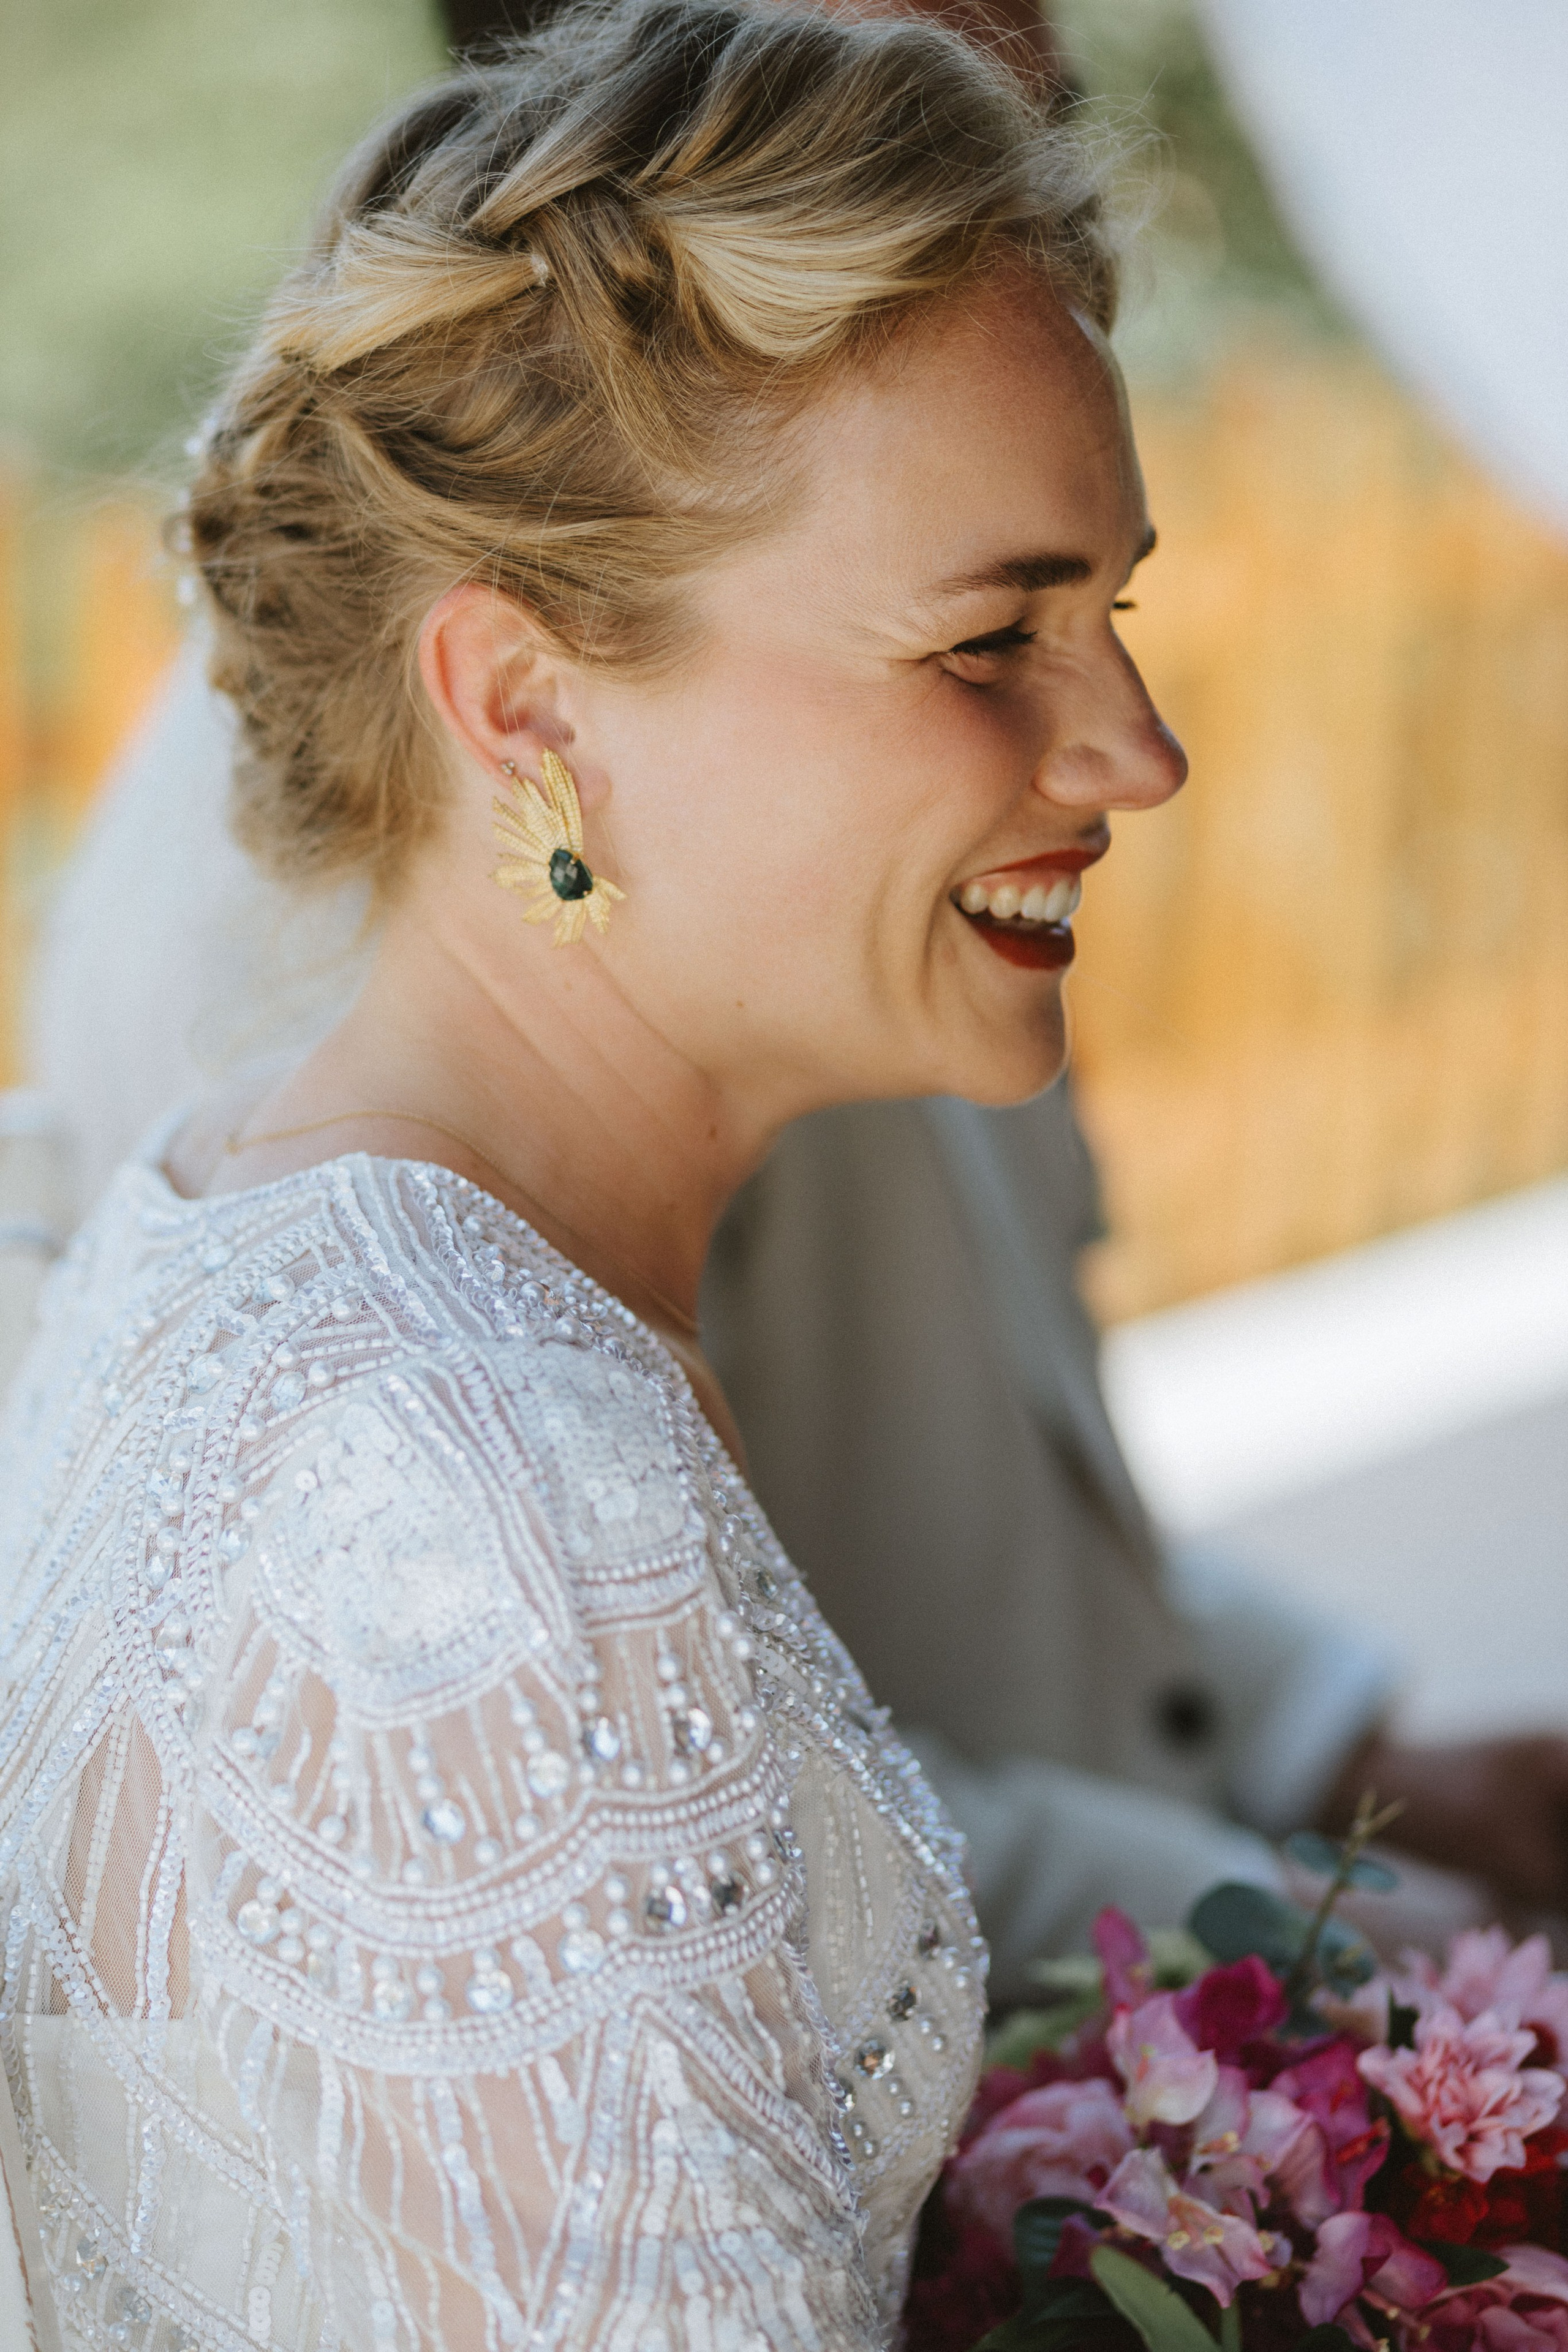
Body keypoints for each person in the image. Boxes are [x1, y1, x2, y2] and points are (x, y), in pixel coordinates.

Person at [0, 1, 1185, 2339]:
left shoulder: (244, 1212)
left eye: (1112, 613)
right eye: (991, 637)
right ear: (526, 707)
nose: (1137, 750)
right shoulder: (491, 1512)